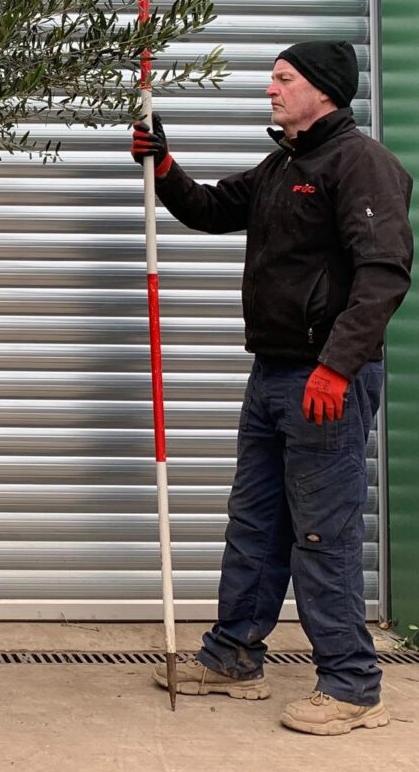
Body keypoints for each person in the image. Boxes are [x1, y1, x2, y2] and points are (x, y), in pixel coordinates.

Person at [131, 40, 414, 735]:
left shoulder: (359, 163)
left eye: (284, 79)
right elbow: (206, 208)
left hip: (325, 381)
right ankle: (232, 657)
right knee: (256, 523)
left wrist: (338, 366)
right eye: (273, 79)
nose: (271, 89)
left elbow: (383, 273)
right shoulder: (283, 166)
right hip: (273, 374)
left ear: (324, 90)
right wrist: (162, 165)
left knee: (322, 532)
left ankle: (350, 685)